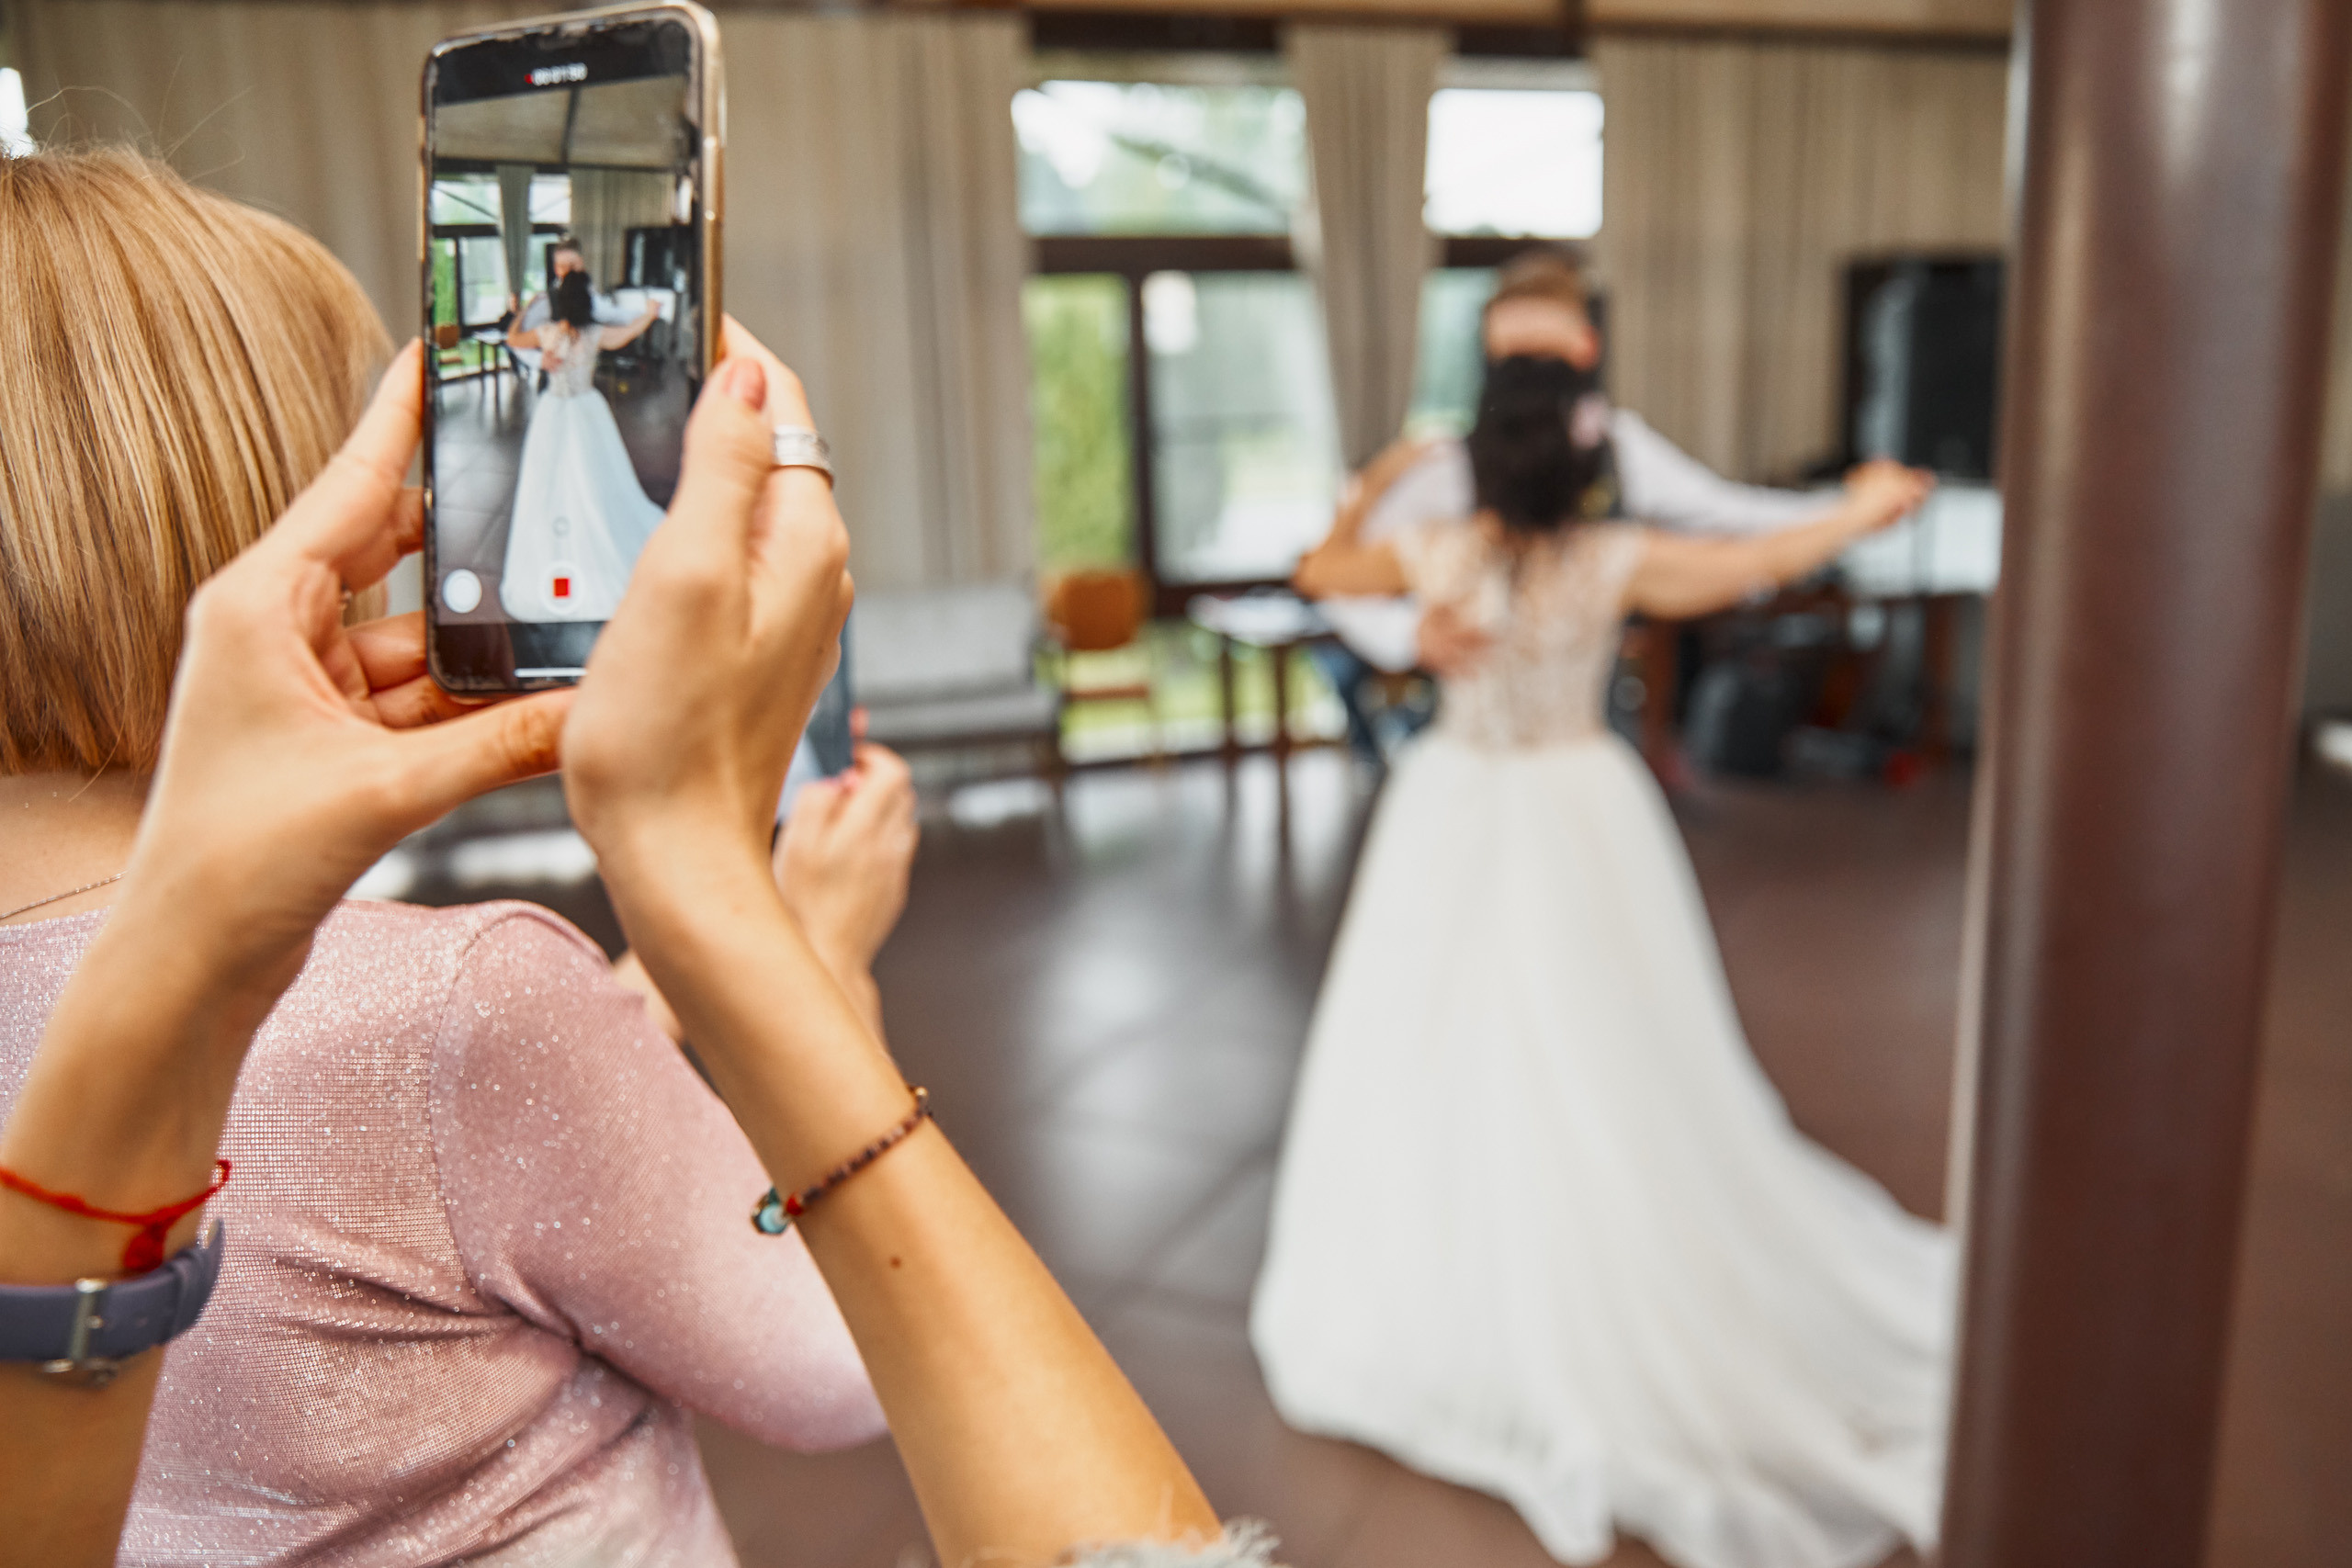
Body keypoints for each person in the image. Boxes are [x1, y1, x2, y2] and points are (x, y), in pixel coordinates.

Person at [1, 146, 1257, 1568]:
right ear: (276, 521)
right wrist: (807, 952)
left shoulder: (457, 1012)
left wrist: (628, 989)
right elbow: (832, 1358)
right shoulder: (464, 1005)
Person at [1254, 355, 1953, 1568]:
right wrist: (1858, 504)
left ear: (1481, 455)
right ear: (1584, 460)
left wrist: (1374, 478)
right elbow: (1755, 563)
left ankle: (1460, 1279)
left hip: (1457, 802)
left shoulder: (1440, 550)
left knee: (1435, 1053)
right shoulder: (1614, 557)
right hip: (1580, 808)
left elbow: (1318, 568)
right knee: (1609, 1053)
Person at [1300, 248, 1924, 758]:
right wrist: (1407, 635)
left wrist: (1853, 509)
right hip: (1470, 731)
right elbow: (1335, 579)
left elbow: (1731, 515)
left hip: (1581, 723)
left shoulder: (1619, 464)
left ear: (1585, 349)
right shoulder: (1443, 472)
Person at [500, 269, 667, 620]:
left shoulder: (547, 332)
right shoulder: (594, 334)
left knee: (546, 480)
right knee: (595, 479)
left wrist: (524, 308)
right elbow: (626, 334)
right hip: (588, 408)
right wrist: (650, 314)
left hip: (553, 410)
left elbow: (512, 339)